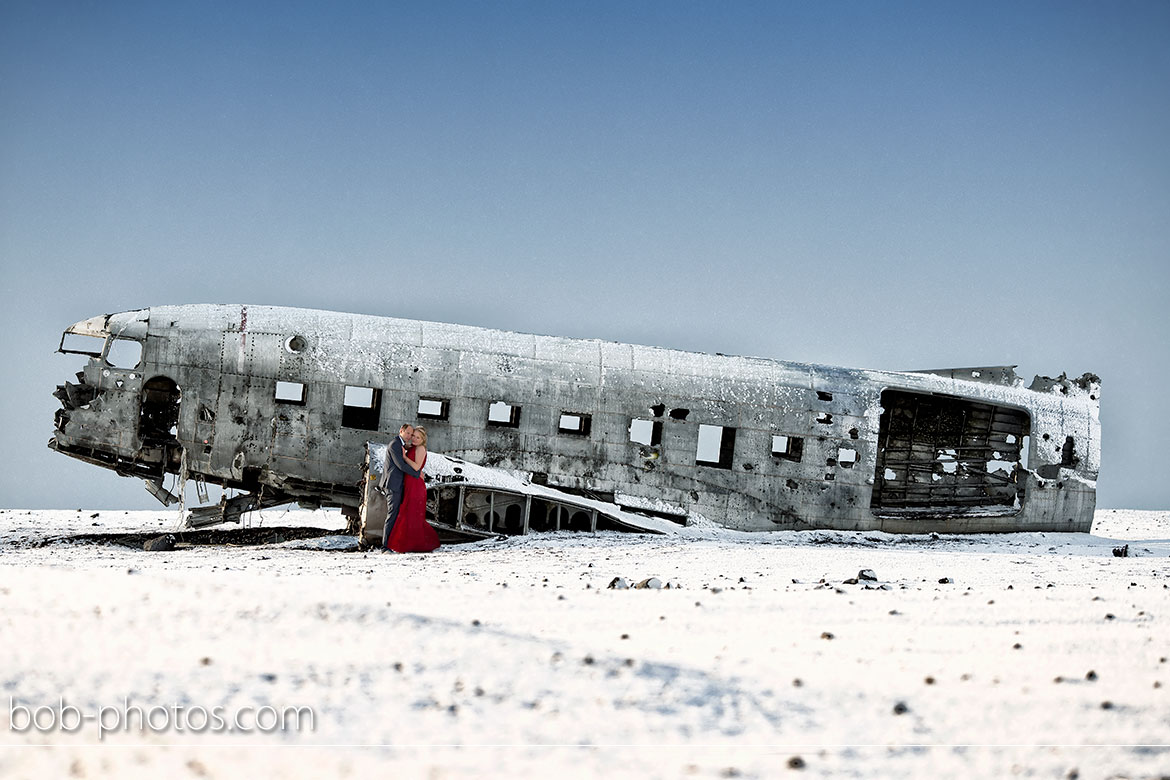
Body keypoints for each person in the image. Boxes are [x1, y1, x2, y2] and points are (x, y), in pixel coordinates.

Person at [387, 425, 440, 553]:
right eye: (413, 436)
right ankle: (405, 543)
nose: (414, 439)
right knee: (407, 514)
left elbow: (416, 467)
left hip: (415, 485)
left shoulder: (421, 448)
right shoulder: (413, 447)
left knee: (412, 515)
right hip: (409, 483)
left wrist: (405, 458)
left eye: (417, 437)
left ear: (423, 439)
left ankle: (414, 544)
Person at [379, 423, 420, 550]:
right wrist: (417, 473)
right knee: (392, 514)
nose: (409, 436)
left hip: (396, 484)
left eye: (411, 434)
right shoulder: (395, 444)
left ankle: (392, 543)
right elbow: (400, 465)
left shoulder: (401, 445)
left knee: (396, 514)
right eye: (407, 433)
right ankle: (385, 547)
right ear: (401, 431)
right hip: (392, 485)